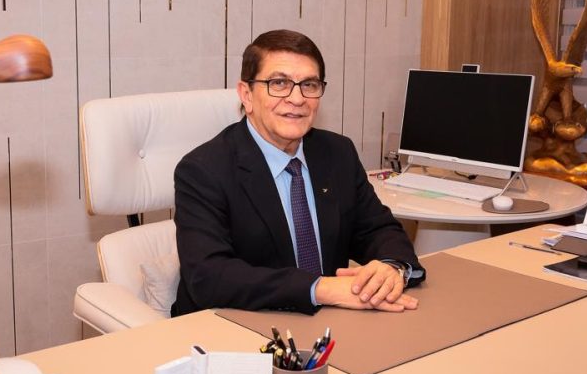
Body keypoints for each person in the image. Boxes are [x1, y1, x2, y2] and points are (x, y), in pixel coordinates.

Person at [171, 29, 424, 316]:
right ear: (246, 95)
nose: (297, 98)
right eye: (279, 83)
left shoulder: (337, 153)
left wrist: (392, 267)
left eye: (309, 85)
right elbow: (208, 276)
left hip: (327, 322)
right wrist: (321, 288)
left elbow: (378, 229)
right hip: (230, 323)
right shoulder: (203, 170)